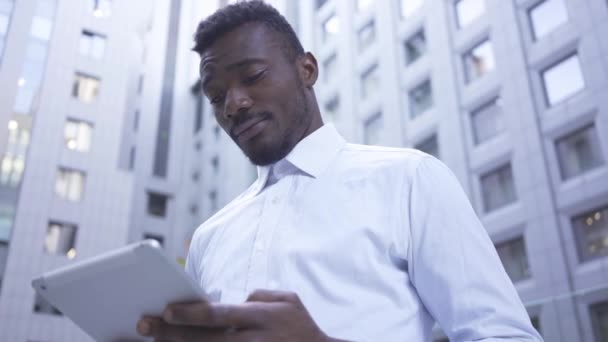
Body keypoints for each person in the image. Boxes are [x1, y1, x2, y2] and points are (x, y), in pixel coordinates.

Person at [136, 1, 543, 341]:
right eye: (216, 96)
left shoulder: (409, 180)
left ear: (307, 69)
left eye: (253, 76)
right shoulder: (209, 237)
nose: (233, 104)